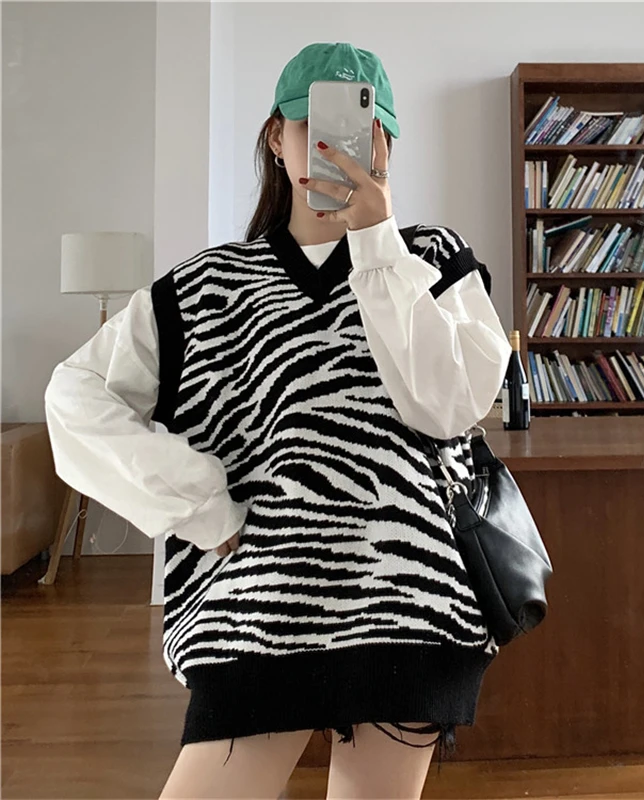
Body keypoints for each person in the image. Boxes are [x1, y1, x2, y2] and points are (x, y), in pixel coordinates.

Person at [44, 42, 512, 800]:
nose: (338, 147)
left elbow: (449, 406)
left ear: (387, 146)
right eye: (312, 127)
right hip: (257, 608)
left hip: (409, 597)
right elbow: (74, 397)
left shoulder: (431, 257)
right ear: (276, 137)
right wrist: (199, 501)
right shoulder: (204, 286)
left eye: (366, 131)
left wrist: (378, 243)